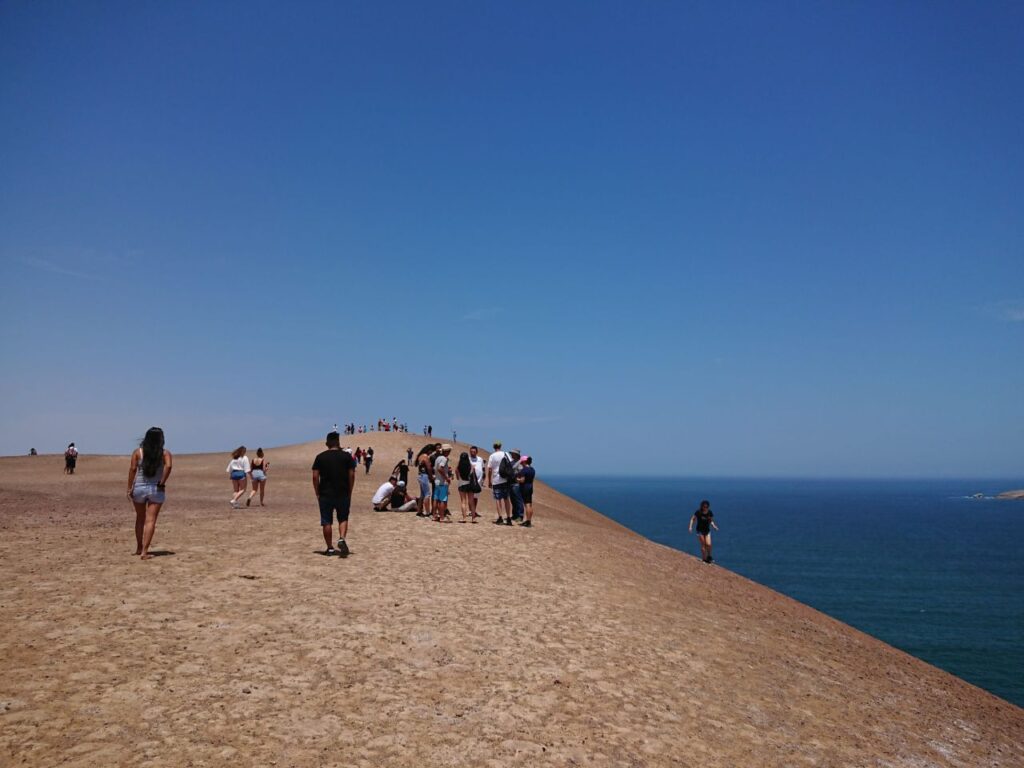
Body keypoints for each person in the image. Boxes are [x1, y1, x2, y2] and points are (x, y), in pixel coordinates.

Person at [127, 427, 173, 560]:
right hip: (155, 489)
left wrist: (129, 488)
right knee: (151, 520)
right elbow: (168, 466)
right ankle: (145, 551)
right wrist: (162, 482)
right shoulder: (164, 453)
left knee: (140, 518)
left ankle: (139, 547)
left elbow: (133, 469)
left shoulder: (138, 452)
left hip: (139, 488)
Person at [311, 431, 356, 557]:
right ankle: (342, 538)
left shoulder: (320, 457)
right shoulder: (347, 457)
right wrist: (350, 490)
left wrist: (317, 492)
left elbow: (315, 477)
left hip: (325, 493)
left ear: (328, 442)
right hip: (343, 492)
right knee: (343, 518)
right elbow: (352, 475)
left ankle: (330, 548)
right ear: (338, 442)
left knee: (326, 521)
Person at [486, 441, 514, 526]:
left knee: (498, 500)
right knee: (506, 499)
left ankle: (500, 517)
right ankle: (509, 518)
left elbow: (490, 469)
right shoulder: (506, 454)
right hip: (505, 479)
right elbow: (511, 464)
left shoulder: (492, 456)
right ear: (501, 446)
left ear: (494, 447)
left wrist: (489, 480)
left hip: (496, 480)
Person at [455, 451, 477, 522]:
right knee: (471, 502)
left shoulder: (458, 467)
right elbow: (473, 476)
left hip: (462, 484)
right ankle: (473, 518)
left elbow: (458, 477)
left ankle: (464, 518)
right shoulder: (471, 466)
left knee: (463, 501)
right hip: (470, 485)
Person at [432, 444, 453, 521]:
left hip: (437, 481)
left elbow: (436, 468)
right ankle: (441, 517)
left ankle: (434, 516)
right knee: (442, 500)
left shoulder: (438, 458)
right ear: (447, 451)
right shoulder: (444, 459)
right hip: (442, 482)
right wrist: (447, 478)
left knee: (435, 499)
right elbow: (440, 469)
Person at [415, 445, 436, 517]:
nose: (431, 453)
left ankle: (419, 511)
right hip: (424, 476)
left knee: (422, 495)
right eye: (431, 451)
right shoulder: (425, 456)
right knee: (427, 494)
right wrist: (431, 477)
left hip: (420, 475)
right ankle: (427, 512)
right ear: (429, 450)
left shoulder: (420, 456)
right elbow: (429, 468)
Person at [517, 455, 536, 527]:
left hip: (524, 488)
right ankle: (529, 520)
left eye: (521, 462)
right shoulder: (532, 469)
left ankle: (528, 522)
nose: (521, 463)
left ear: (524, 462)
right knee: (530, 504)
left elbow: (522, 480)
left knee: (527, 504)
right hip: (530, 487)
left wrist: (517, 480)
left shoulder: (524, 470)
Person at [468, 446, 485, 520]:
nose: (472, 453)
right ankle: (471, 511)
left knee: (476, 497)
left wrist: (484, 478)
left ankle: (474, 510)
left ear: (476, 452)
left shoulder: (480, 459)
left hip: (479, 481)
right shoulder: (468, 459)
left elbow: (483, 469)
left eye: (474, 452)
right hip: (470, 480)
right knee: (470, 496)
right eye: (471, 451)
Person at [508, 448, 524, 521]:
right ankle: (514, 515)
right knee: (513, 500)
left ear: (516, 455)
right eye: (511, 453)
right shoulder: (512, 462)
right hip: (511, 483)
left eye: (513, 453)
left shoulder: (520, 462)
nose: (511, 454)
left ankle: (520, 516)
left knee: (518, 500)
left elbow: (520, 472)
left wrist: (515, 476)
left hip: (516, 484)